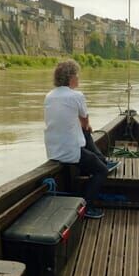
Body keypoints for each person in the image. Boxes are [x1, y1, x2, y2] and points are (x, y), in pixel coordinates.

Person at [44, 60, 119, 219]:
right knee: (101, 171)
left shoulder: (49, 96)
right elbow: (85, 121)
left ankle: (101, 159)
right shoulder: (76, 95)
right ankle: (87, 206)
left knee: (85, 133)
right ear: (71, 77)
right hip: (69, 152)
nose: (78, 78)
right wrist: (86, 126)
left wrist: (84, 128)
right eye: (77, 75)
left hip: (52, 150)